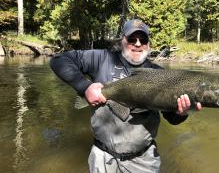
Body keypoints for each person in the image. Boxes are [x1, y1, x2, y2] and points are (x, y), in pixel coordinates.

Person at [50, 19, 201, 173]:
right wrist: (85, 87)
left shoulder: (160, 74)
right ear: (122, 40)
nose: (137, 44)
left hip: (143, 160)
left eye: (143, 40)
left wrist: (181, 113)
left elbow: (171, 117)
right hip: (102, 156)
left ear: (149, 45)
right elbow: (59, 60)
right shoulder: (102, 58)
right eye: (131, 39)